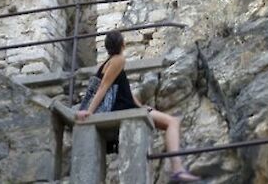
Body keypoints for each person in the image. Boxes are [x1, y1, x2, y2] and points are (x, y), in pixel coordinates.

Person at [76, 30, 201, 182]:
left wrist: (142, 107)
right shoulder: (118, 60)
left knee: (169, 122)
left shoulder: (107, 63)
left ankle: (177, 169)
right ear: (123, 44)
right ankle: (177, 169)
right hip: (123, 108)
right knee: (172, 122)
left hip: (128, 105)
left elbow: (123, 90)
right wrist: (89, 112)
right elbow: (103, 87)